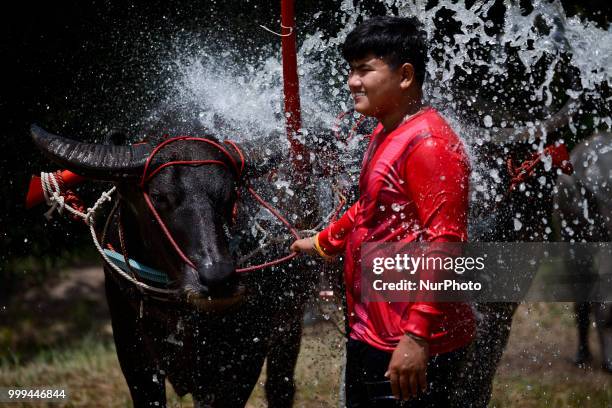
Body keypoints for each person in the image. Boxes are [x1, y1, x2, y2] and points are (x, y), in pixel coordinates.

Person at [290, 16, 475, 407]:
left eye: (364, 70)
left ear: (405, 75)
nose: (352, 82)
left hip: (411, 343)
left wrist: (417, 337)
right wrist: (322, 242)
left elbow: (446, 243)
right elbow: (369, 207)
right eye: (350, 71)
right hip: (373, 330)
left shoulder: (430, 145)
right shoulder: (386, 130)